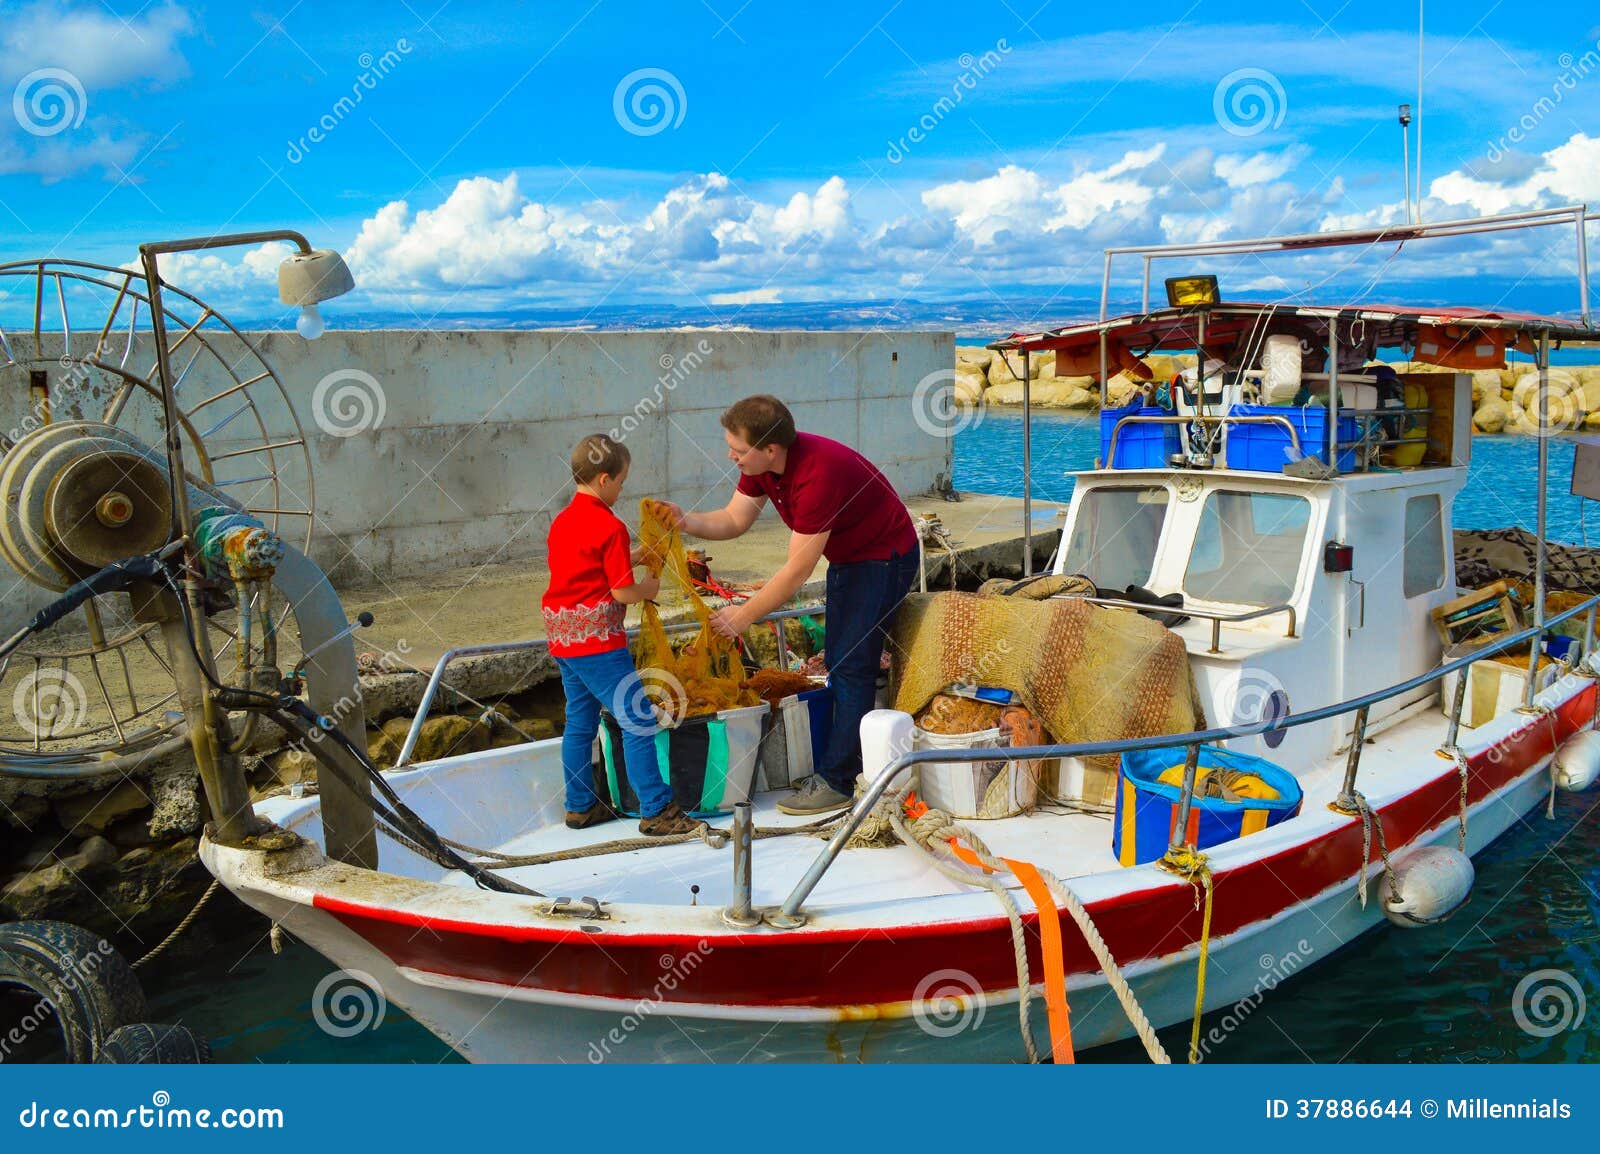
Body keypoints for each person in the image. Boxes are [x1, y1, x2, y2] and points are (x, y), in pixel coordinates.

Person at [659, 396, 918, 815]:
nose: (731, 456)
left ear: (771, 449)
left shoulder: (817, 475)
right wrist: (685, 520)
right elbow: (733, 519)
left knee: (851, 664)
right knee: (841, 660)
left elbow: (796, 573)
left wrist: (741, 617)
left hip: (884, 558)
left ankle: (838, 780)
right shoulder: (763, 466)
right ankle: (850, 758)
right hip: (851, 558)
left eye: (738, 450)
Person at [542, 434, 699, 836]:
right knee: (638, 718)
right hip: (598, 641)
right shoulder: (610, 526)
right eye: (622, 482)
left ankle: (579, 807)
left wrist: (632, 558)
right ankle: (656, 808)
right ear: (605, 479)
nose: (622, 490)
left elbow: (586, 566)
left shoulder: (562, 520)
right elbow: (620, 592)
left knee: (579, 721)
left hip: (563, 636)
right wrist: (648, 587)